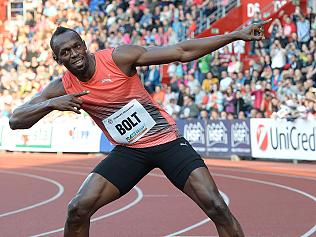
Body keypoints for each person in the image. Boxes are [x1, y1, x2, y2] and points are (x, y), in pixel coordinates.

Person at [9, 19, 270, 237]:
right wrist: (53, 103)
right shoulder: (62, 87)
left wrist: (235, 35)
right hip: (129, 151)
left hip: (166, 141)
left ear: (85, 45)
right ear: (57, 59)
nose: (73, 54)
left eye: (76, 46)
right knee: (77, 209)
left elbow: (181, 52)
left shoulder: (118, 58)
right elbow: (16, 119)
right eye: (65, 52)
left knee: (216, 206)